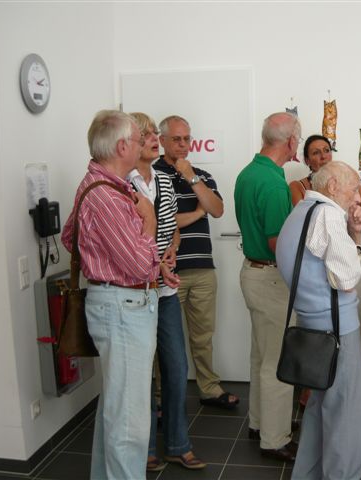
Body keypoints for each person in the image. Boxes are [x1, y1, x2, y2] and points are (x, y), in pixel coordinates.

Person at [61, 110, 162, 479]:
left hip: (119, 303)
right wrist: (148, 220)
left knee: (118, 412)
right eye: (138, 139)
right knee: (129, 425)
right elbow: (139, 265)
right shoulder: (107, 196)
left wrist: (104, 256)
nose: (143, 144)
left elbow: (69, 237)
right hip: (123, 308)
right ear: (122, 146)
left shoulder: (98, 185)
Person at [276, 161, 361, 480]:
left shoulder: (300, 211)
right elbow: (347, 279)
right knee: (345, 414)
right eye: (354, 188)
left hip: (311, 323)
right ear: (332, 186)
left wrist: (352, 231)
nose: (357, 197)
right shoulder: (328, 215)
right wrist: (356, 237)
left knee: (319, 408)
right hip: (337, 328)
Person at [127, 113, 205, 471]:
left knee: (176, 366)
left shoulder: (162, 179)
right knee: (142, 372)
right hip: (137, 291)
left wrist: (172, 249)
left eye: (152, 133)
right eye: (145, 134)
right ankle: (143, 449)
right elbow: (128, 239)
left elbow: (172, 227)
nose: (153, 139)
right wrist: (156, 261)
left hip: (165, 292)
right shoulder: (122, 183)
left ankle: (177, 444)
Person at [154, 115, 239, 409]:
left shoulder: (201, 175)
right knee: (165, 341)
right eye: (176, 139)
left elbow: (217, 209)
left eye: (187, 138)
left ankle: (209, 388)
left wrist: (190, 176)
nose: (183, 144)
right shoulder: (151, 176)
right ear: (162, 140)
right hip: (168, 271)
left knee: (203, 336)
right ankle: (161, 397)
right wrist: (197, 213)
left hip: (203, 269)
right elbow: (162, 220)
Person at [234, 111, 300, 462]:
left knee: (261, 354)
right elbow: (278, 244)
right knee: (277, 360)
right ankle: (275, 439)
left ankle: (259, 422)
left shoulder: (249, 173)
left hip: (252, 272)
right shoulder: (274, 184)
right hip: (271, 276)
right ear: (291, 141)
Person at [289, 134, 361, 238]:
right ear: (307, 160)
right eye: (316, 153)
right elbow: (304, 224)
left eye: (327, 150)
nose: (323, 156)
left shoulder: (350, 183)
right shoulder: (297, 187)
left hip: (345, 243)